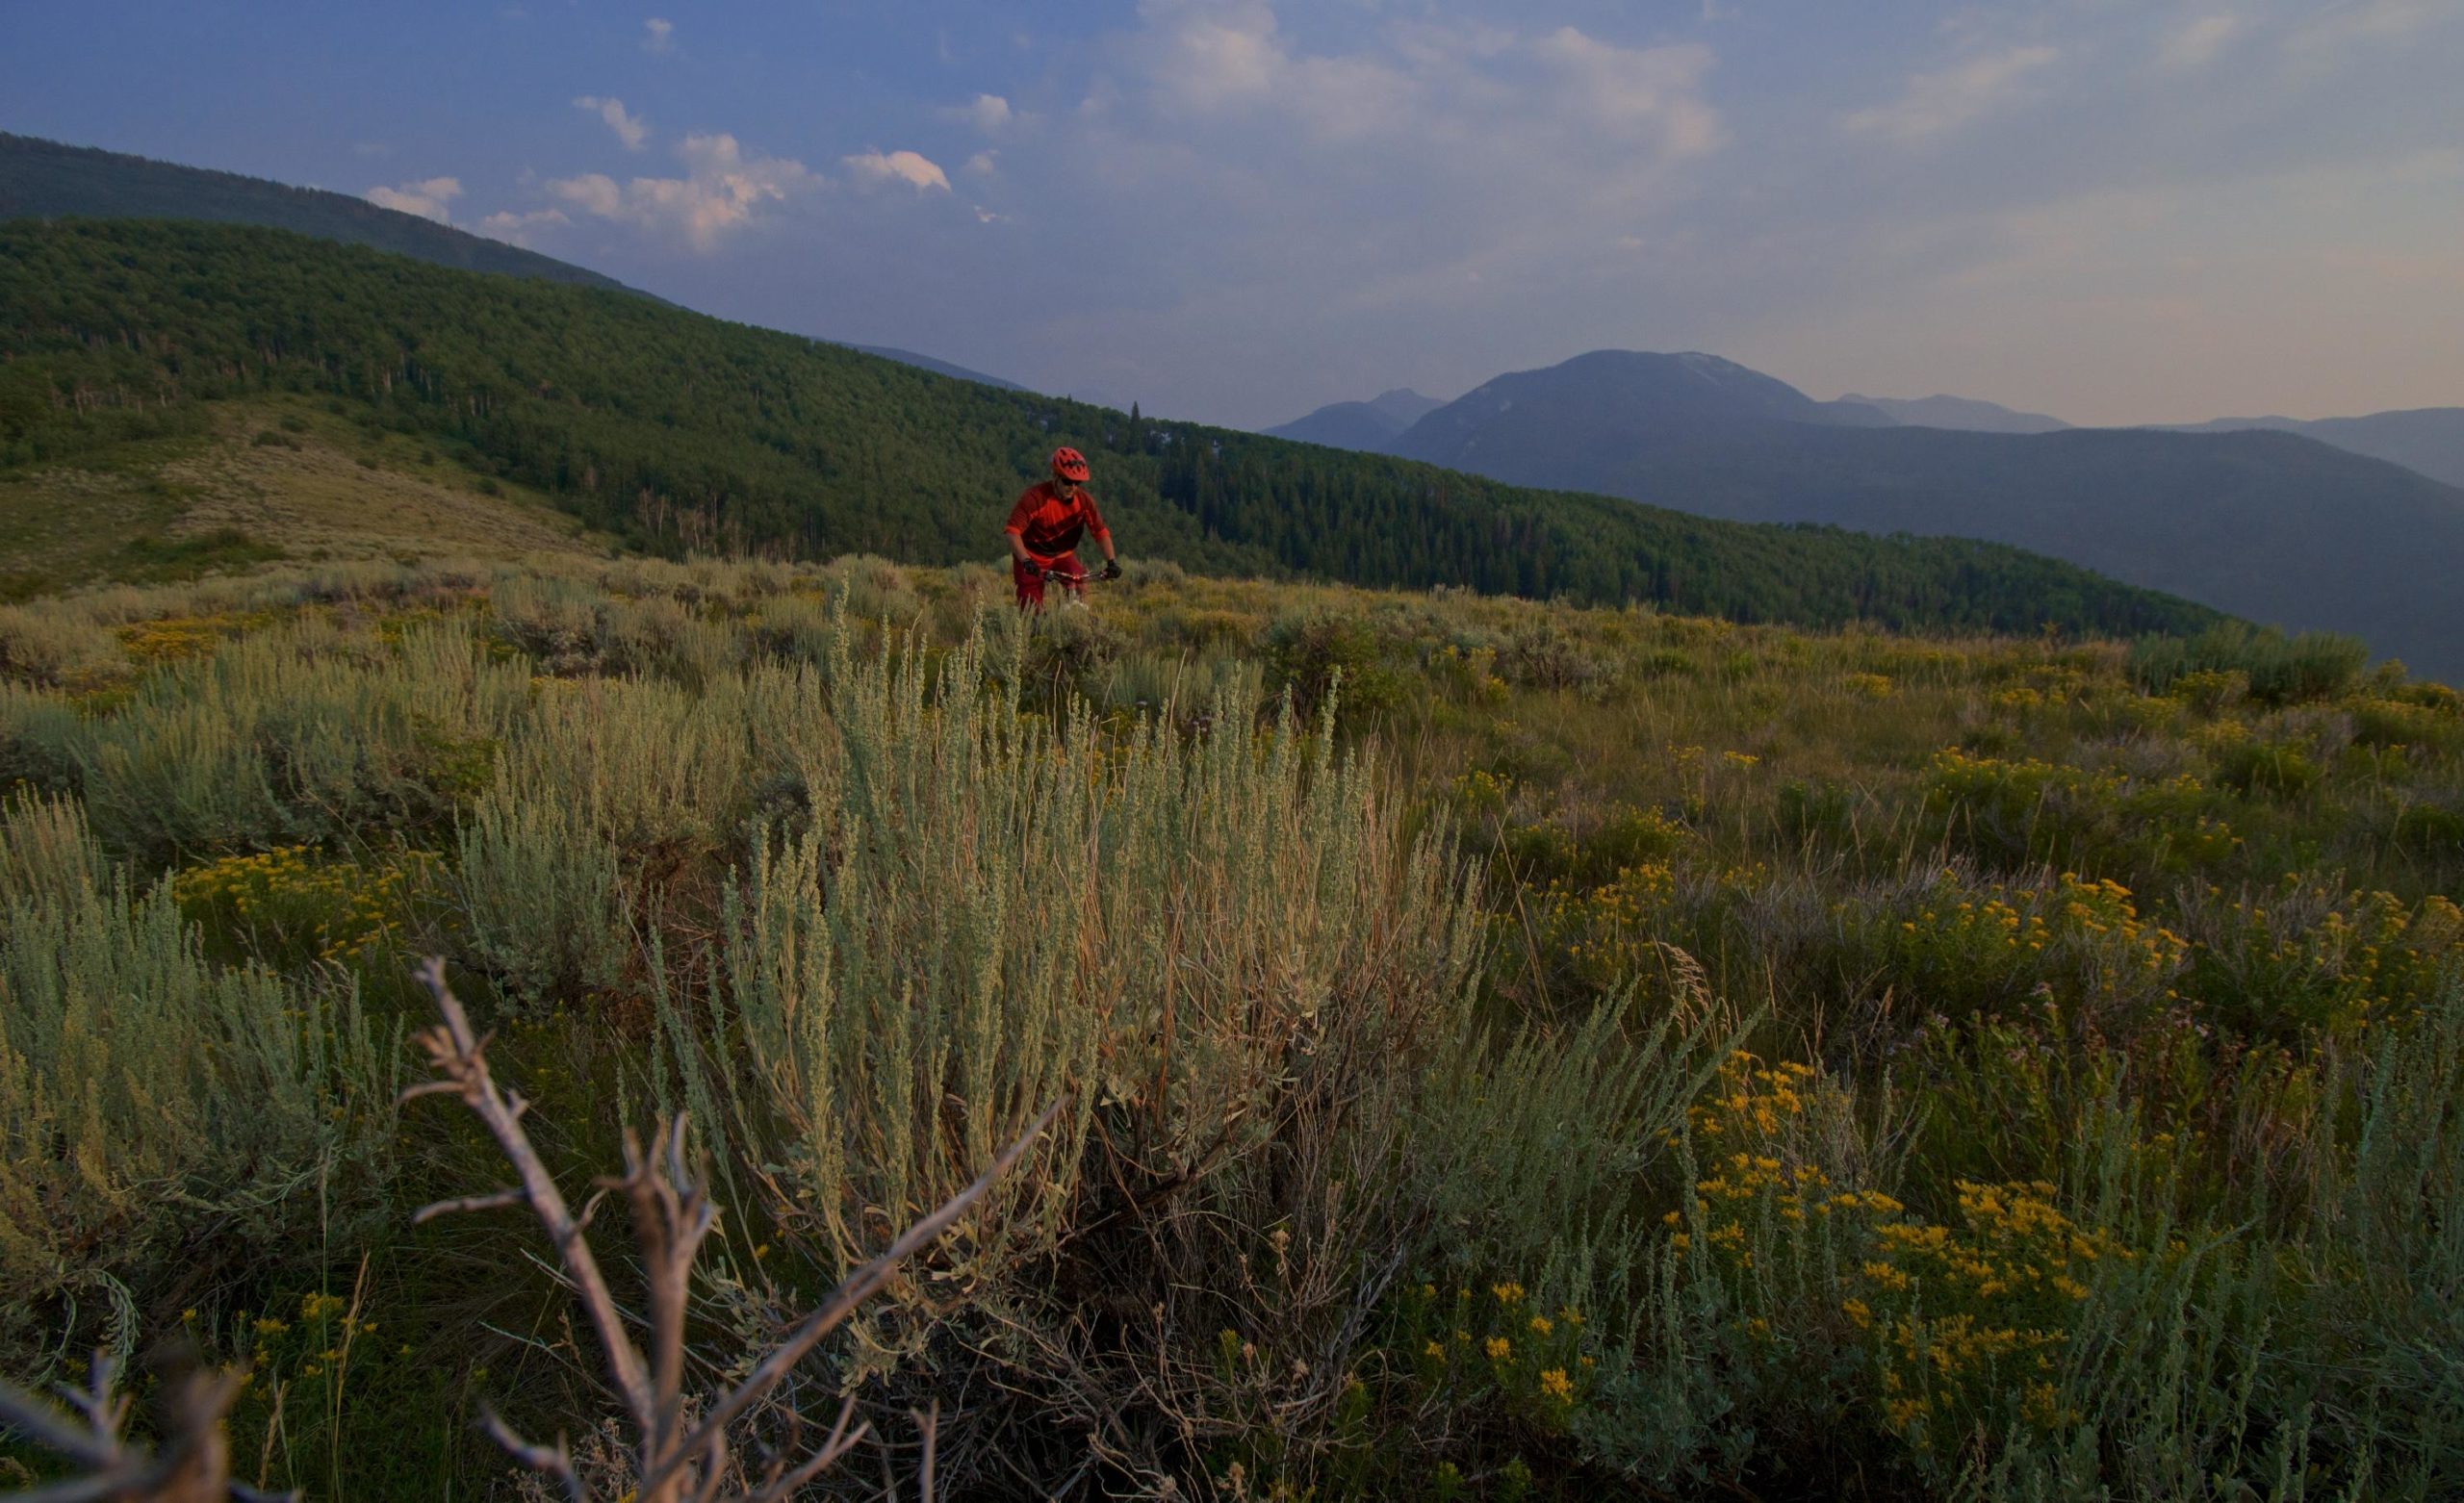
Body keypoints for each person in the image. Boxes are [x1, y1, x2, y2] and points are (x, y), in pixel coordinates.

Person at [1006, 446, 1121, 609]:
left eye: (1077, 483)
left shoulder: (1084, 501)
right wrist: (1025, 560)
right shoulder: (1034, 498)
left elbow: (1100, 532)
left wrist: (1111, 562)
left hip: (1063, 555)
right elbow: (1012, 532)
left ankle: (1075, 620)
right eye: (1067, 481)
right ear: (1055, 476)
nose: (1073, 487)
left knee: (1080, 583)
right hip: (1032, 557)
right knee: (1030, 609)